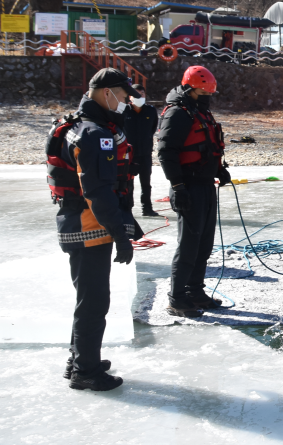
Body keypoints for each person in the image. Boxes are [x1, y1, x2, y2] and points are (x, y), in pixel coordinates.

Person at [45, 68, 141, 391]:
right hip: (89, 228)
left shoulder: (79, 126)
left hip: (77, 225)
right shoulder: (94, 134)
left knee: (87, 298)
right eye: (123, 96)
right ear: (105, 93)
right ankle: (85, 370)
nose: (125, 102)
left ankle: (79, 358)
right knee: (94, 301)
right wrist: (120, 233)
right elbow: (98, 192)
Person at [157, 65, 230, 317]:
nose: (207, 96)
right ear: (189, 89)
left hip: (206, 184)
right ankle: (177, 297)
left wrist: (219, 170)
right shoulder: (177, 114)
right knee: (188, 244)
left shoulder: (200, 111)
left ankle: (195, 291)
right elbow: (166, 152)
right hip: (187, 186)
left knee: (204, 243)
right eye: (202, 92)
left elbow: (208, 146)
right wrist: (177, 186)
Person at [122, 82, 159, 217]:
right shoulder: (124, 111)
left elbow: (153, 129)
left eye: (141, 93)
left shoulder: (150, 110)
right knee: (128, 184)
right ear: (130, 97)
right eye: (135, 94)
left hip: (145, 153)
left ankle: (147, 208)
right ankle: (127, 209)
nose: (139, 96)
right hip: (129, 154)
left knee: (146, 183)